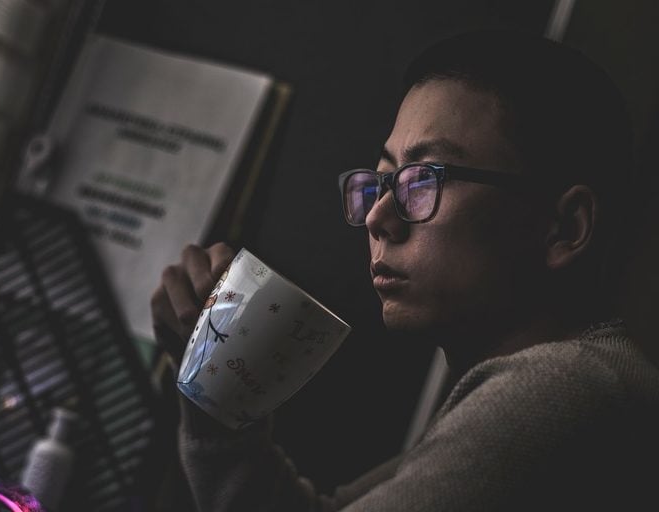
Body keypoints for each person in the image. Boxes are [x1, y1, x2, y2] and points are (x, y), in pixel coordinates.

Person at [150, 29, 659, 511]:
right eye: (380, 182)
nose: (377, 218)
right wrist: (214, 388)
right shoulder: (571, 383)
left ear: (563, 227)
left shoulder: (561, 392)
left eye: (423, 179)